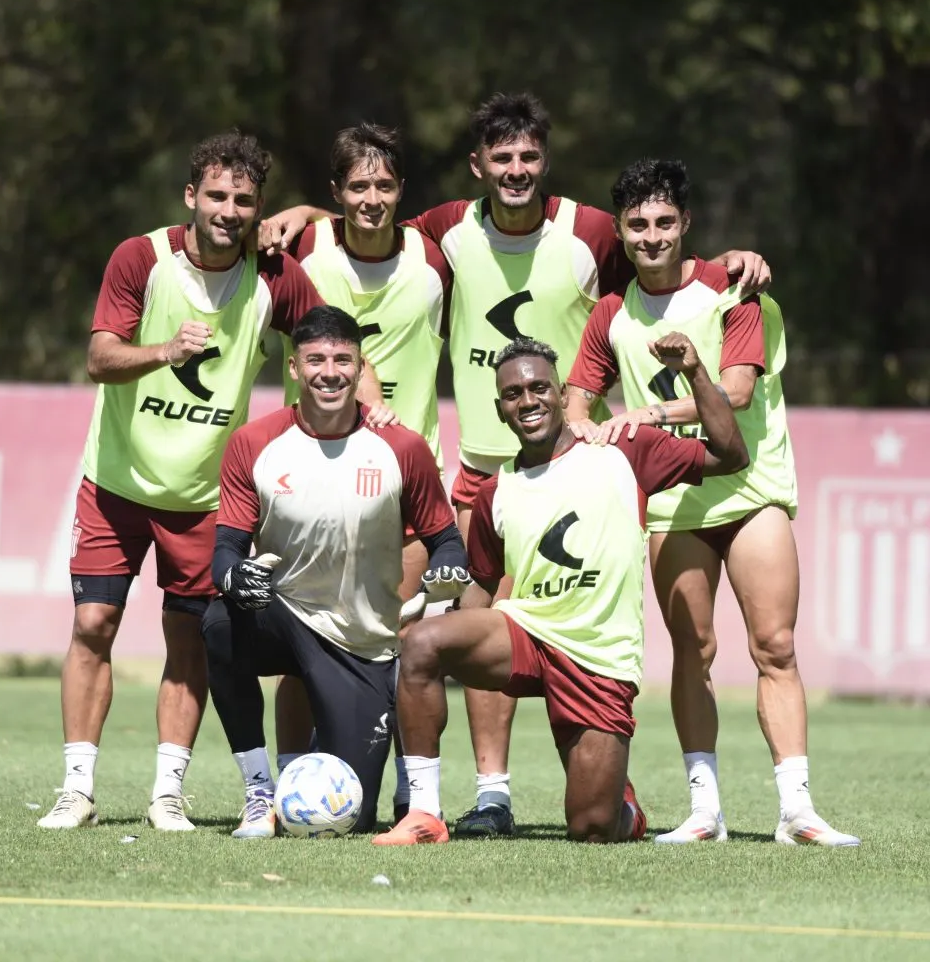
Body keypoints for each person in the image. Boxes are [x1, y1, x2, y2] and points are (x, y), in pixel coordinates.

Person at [263, 92, 771, 837]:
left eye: (529, 156)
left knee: (592, 818)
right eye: (501, 158)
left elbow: (659, 247)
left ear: (546, 162)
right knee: (464, 620)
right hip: (482, 470)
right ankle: (481, 796)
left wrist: (729, 263)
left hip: (573, 459)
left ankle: (602, 773)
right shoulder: (448, 231)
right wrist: (308, 213)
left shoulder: (590, 231)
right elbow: (372, 218)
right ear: (478, 166)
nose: (516, 170)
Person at [38, 130, 364, 832]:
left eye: (244, 200)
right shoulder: (141, 258)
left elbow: (329, 344)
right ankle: (76, 788)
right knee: (93, 624)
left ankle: (166, 795)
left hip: (204, 499)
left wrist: (368, 410)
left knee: (188, 642)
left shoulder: (274, 275)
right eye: (216, 195)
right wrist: (163, 350)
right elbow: (99, 357)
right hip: (117, 483)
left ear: (258, 209)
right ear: (191, 196)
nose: (229, 209)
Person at [566, 159, 858, 847]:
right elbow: (578, 399)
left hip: (751, 490)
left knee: (775, 645)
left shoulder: (733, 290)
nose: (651, 235)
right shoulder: (611, 312)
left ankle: (797, 810)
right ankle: (705, 811)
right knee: (692, 651)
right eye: (637, 225)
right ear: (622, 232)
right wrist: (585, 426)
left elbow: (734, 393)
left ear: (686, 226)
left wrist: (646, 413)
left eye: (665, 222)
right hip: (674, 503)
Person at [373, 332, 749, 845]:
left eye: (539, 388)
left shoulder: (624, 450)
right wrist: (440, 610)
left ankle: (624, 806)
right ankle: (422, 813)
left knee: (593, 828)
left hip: (598, 655)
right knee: (421, 643)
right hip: (527, 632)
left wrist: (696, 371)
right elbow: (482, 589)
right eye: (513, 395)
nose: (528, 401)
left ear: (560, 393)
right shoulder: (494, 491)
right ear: (500, 409)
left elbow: (730, 454)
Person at [200, 305, 469, 837]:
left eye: (343, 359)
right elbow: (226, 549)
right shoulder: (254, 444)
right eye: (316, 359)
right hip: (287, 614)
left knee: (355, 816)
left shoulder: (402, 448)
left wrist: (443, 581)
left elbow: (447, 544)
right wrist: (233, 576)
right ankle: (258, 793)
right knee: (218, 623)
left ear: (360, 366)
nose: (330, 371)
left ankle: (353, 778)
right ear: (295, 369)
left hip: (361, 644)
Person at [271, 124, 454, 819]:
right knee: (300, 641)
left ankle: (417, 791)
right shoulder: (303, 248)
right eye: (357, 187)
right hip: (314, 475)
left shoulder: (434, 257)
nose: (371, 199)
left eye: (383, 186)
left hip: (405, 479)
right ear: (335, 193)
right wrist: (303, 218)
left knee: (405, 644)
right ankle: (291, 785)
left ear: (401, 192)